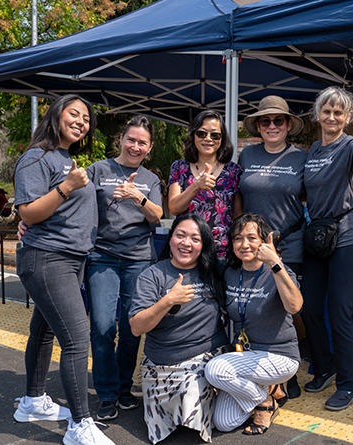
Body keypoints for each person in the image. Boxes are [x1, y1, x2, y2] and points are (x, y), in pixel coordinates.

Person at [12, 94, 113, 445]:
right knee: (76, 338)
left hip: (69, 259)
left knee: (43, 333)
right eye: (75, 113)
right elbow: (28, 212)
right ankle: (80, 425)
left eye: (86, 118)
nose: (82, 121)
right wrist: (66, 187)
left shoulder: (64, 157)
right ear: (56, 115)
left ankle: (33, 401)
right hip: (48, 258)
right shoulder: (36, 157)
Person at [301, 86, 353, 411]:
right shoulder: (313, 150)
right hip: (317, 236)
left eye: (339, 112)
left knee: (339, 310)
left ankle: (348, 384)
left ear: (347, 118)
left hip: (346, 235)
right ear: (318, 114)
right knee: (308, 308)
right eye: (327, 111)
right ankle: (325, 366)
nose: (332, 117)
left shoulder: (349, 144)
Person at [85, 116, 163, 421]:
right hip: (102, 256)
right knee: (103, 327)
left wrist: (137, 196)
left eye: (142, 142)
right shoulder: (99, 170)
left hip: (139, 259)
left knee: (133, 328)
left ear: (150, 147)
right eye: (131, 139)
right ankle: (105, 393)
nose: (135, 146)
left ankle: (122, 388)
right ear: (121, 139)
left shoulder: (151, 179)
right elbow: (79, 207)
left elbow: (157, 216)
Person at [129, 214, 227, 444]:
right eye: (180, 235)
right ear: (170, 238)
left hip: (207, 359)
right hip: (160, 365)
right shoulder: (152, 275)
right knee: (165, 424)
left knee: (197, 398)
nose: (186, 243)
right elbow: (136, 327)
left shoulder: (214, 271)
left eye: (195, 238)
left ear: (203, 245)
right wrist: (168, 301)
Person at [205, 213, 303, 435]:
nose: (244, 244)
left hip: (278, 357)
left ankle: (264, 400)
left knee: (215, 369)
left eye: (252, 237)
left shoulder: (278, 271)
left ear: (264, 241)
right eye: (238, 238)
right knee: (224, 422)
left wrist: (275, 263)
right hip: (245, 357)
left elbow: (295, 307)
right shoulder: (230, 272)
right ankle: (268, 393)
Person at [237, 95, 306, 397]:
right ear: (258, 125)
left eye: (279, 120)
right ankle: (264, 369)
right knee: (258, 308)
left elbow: (313, 196)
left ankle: (289, 370)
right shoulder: (247, 155)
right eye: (266, 120)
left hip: (289, 244)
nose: (272, 125)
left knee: (291, 311)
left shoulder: (300, 157)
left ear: (289, 124)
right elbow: (237, 195)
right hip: (251, 247)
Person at [167, 110, 242, 257]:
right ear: (193, 135)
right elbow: (174, 208)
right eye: (202, 133)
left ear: (222, 139)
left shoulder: (234, 171)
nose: (208, 139)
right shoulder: (179, 168)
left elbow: (237, 217)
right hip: (186, 251)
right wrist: (196, 186)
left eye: (215, 135)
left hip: (221, 254)